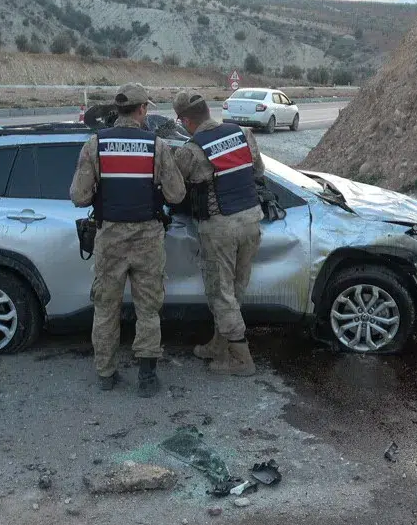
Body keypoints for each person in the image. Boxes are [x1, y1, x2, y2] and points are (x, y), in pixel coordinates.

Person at [70, 83, 186, 395]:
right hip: (147, 236)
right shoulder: (156, 145)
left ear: (117, 110)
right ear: (142, 110)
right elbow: (176, 194)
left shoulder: (96, 144)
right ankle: (147, 379)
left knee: (106, 307)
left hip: (110, 237)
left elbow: (79, 197)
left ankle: (106, 374)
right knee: (148, 308)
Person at [171, 91, 286, 376]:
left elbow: (173, 190)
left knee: (220, 293)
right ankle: (218, 345)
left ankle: (241, 359)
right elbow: (257, 171)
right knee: (234, 290)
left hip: (220, 228)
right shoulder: (242, 134)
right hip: (250, 221)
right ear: (208, 110)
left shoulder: (191, 150)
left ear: (185, 120)